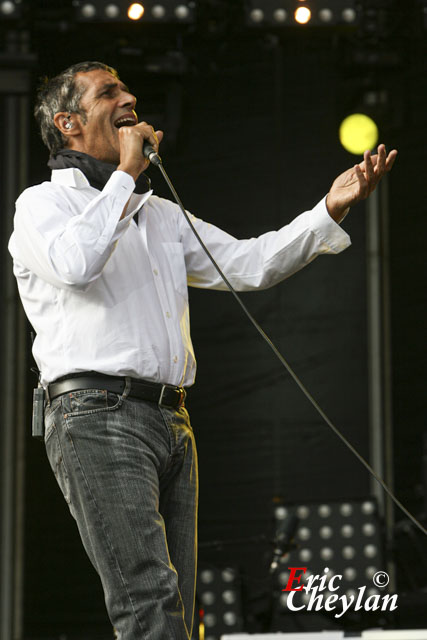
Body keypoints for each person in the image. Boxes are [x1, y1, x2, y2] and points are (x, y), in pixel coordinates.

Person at [8, 61, 397, 640]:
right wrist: (127, 176)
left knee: (178, 610)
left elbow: (251, 262)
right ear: (68, 122)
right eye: (109, 92)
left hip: (171, 419)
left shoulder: (156, 214)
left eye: (126, 88)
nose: (130, 97)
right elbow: (76, 264)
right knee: (149, 600)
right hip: (96, 417)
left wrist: (328, 209)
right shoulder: (41, 206)